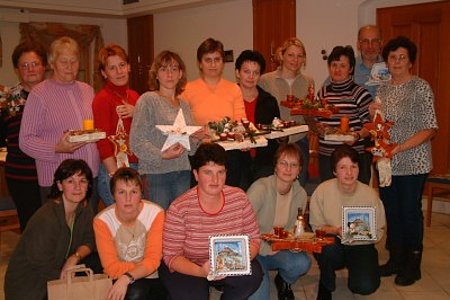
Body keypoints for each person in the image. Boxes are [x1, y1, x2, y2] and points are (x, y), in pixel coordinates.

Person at [371, 36, 438, 286]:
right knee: (392, 211)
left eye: (402, 57)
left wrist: (398, 148)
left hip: (413, 161)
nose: (397, 61)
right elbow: (380, 125)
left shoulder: (420, 87)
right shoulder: (383, 89)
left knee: (410, 213)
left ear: (410, 60)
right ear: (386, 61)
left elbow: (430, 128)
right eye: (392, 57)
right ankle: (395, 260)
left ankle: (413, 264)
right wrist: (373, 118)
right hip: (387, 163)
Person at [160, 143, 263, 300]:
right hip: (190, 265)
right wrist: (201, 271)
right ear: (196, 174)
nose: (215, 179)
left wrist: (239, 261)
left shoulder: (239, 198)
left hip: (228, 263)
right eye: (208, 172)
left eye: (220, 172)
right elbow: (171, 256)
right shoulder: (179, 207)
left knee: (253, 275)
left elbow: (254, 239)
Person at [19, 36, 100, 212]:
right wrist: (57, 147)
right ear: (52, 63)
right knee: (60, 236)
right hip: (57, 179)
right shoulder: (39, 94)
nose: (70, 67)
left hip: (89, 177)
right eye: (64, 62)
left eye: (74, 61)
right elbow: (25, 140)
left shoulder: (87, 90)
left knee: (86, 233)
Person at [4, 159, 99, 300]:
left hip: (60, 270)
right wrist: (72, 282)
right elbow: (43, 266)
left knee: (98, 261)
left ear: (88, 185)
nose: (77, 187)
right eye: (70, 181)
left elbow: (90, 240)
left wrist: (75, 257)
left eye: (82, 181)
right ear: (60, 185)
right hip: (32, 285)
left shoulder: (84, 208)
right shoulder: (47, 218)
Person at [309, 145, 386, 300]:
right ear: (334, 171)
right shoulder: (322, 191)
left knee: (365, 286)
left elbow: (379, 230)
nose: (349, 172)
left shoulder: (370, 194)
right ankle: (326, 284)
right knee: (327, 248)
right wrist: (336, 230)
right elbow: (316, 228)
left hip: (361, 245)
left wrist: (364, 234)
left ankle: (358, 272)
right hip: (334, 242)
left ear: (359, 168)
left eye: (354, 166)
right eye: (343, 167)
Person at [130, 50, 204, 210]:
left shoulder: (184, 104)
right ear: (156, 74)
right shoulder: (147, 100)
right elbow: (136, 141)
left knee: (180, 223)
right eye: (164, 69)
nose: (169, 74)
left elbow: (190, 150)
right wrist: (162, 154)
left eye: (174, 69)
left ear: (180, 73)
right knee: (159, 223)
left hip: (182, 172)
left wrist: (197, 138)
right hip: (155, 174)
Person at [247, 143, 311, 300]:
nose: (288, 169)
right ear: (275, 166)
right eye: (283, 163)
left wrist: (294, 243)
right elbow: (242, 227)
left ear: (299, 170)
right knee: (258, 298)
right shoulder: (260, 189)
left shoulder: (301, 194)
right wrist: (265, 248)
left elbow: (294, 228)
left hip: (278, 247)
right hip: (254, 250)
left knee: (302, 262)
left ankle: (284, 280)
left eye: (293, 165)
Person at [182, 38, 246, 188]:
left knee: (229, 199)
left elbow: (240, 121)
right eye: (208, 60)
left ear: (223, 63)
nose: (213, 64)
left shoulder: (234, 89)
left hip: (229, 153)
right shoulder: (187, 90)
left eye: (217, 59)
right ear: (200, 63)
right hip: (200, 154)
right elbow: (182, 126)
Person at [94, 167, 167, 300]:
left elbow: (153, 259)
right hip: (119, 276)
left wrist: (128, 276)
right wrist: (138, 269)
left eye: (133, 192)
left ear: (141, 194)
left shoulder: (155, 213)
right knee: (134, 292)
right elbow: (111, 267)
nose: (128, 198)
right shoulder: (102, 221)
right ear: (113, 195)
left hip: (151, 277)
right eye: (121, 192)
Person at [0, 41, 46, 231]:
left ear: (44, 66)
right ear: (17, 70)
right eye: (24, 65)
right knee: (31, 228)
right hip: (21, 176)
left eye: (35, 63)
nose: (30, 69)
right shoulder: (8, 100)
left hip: (53, 174)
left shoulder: (56, 95)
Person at [259, 37, 313, 187]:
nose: (295, 60)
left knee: (298, 186)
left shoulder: (309, 81)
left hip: (299, 140)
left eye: (299, 56)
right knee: (273, 187)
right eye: (291, 55)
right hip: (274, 142)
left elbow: (309, 112)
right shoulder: (266, 80)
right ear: (282, 55)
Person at [315, 45, 372, 184]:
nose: (337, 69)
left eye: (342, 65)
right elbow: (316, 121)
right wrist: (318, 127)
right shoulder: (322, 93)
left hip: (353, 159)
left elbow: (371, 126)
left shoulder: (360, 93)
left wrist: (357, 135)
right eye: (334, 65)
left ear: (351, 68)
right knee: (329, 199)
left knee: (355, 201)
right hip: (327, 156)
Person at [93, 43, 139, 207]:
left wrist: (138, 112)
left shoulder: (134, 96)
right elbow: (102, 141)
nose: (119, 71)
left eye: (122, 65)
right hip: (115, 169)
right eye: (112, 68)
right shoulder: (103, 99)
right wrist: (115, 174)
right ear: (104, 73)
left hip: (135, 167)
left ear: (129, 67)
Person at [234, 49, 281, 190]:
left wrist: (282, 137)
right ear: (237, 73)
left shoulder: (269, 100)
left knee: (262, 202)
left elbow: (277, 129)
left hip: (264, 162)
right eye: (246, 71)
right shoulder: (228, 99)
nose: (251, 76)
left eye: (255, 72)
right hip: (236, 161)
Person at [355, 25, 384, 98]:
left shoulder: (392, 67)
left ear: (381, 44)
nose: (370, 46)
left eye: (375, 41)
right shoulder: (348, 68)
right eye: (365, 41)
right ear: (358, 45)